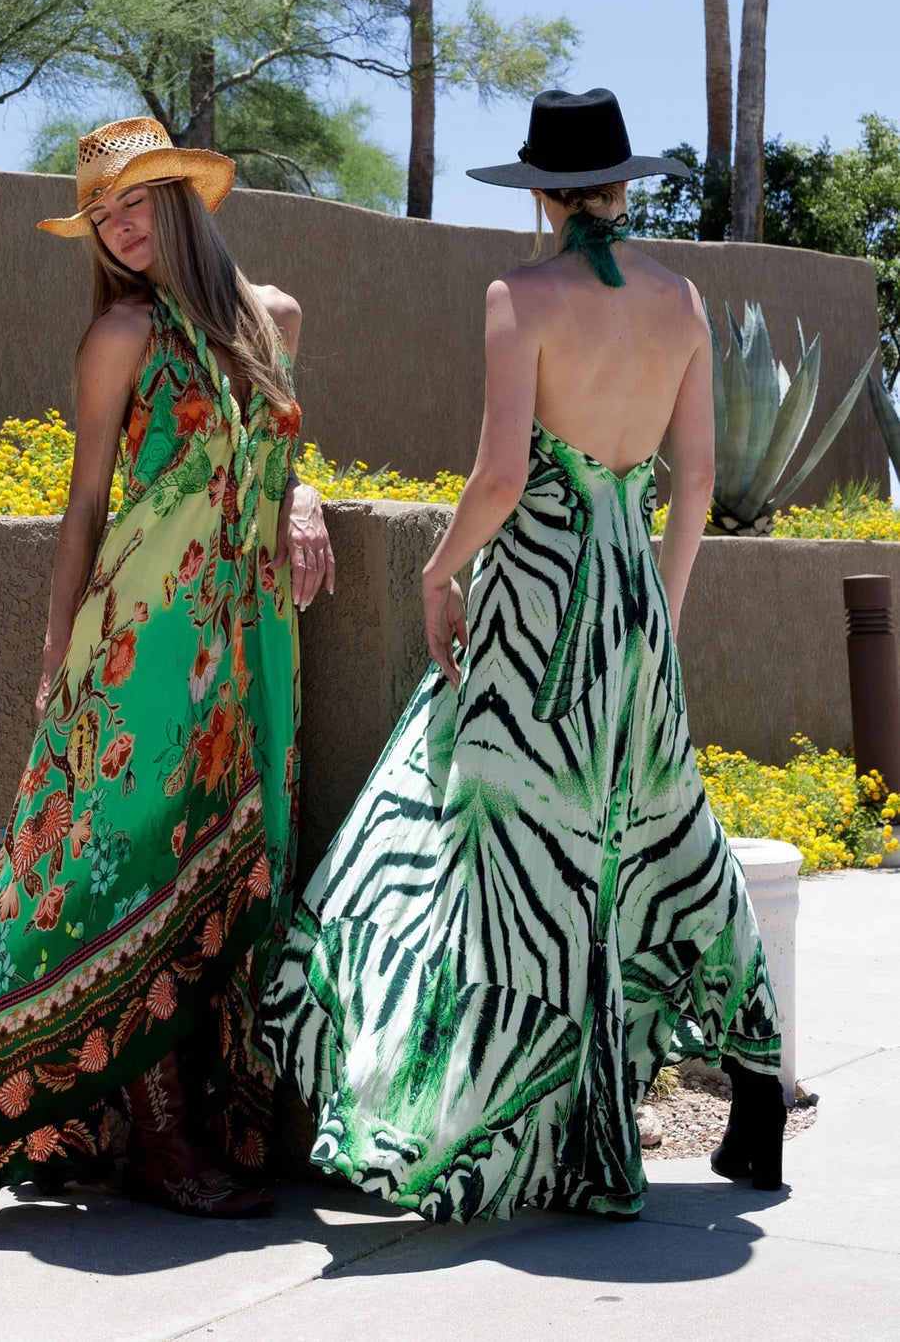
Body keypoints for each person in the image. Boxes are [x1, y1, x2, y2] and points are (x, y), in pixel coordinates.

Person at [261, 88, 784, 1223]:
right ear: (622, 187)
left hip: (536, 609)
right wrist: (660, 611)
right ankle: (754, 1079)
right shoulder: (682, 300)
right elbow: (695, 481)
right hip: (632, 603)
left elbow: (501, 477)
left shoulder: (520, 296)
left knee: (504, 852)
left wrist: (436, 571)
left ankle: (494, 1112)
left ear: (542, 195)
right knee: (664, 826)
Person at [0, 117, 334, 1215]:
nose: (120, 227)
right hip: (147, 636)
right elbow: (85, 502)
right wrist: (58, 660)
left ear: (180, 198)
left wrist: (306, 495)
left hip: (252, 637)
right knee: (134, 868)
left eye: (135, 202)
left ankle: (210, 1120)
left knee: (237, 860)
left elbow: (272, 453)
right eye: (100, 213)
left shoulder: (274, 317)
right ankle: (160, 1139)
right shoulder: (120, 334)